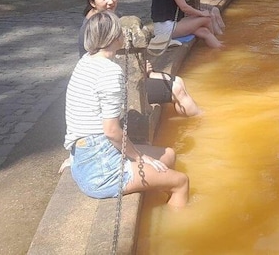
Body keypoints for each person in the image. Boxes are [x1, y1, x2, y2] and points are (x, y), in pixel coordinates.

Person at [65, 11, 189, 207]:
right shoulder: (110, 71)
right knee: (182, 182)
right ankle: (180, 228)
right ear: (115, 37)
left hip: (85, 155)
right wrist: (140, 157)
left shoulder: (85, 61)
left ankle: (158, 204)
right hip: (101, 168)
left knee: (170, 155)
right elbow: (111, 131)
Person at [78, 0, 201, 117]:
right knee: (177, 89)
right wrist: (142, 71)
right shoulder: (92, 29)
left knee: (178, 81)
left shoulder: (111, 17)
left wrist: (143, 67)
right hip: (113, 84)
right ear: (92, 2)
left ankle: (191, 122)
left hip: (125, 73)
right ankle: (201, 121)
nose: (110, 1)